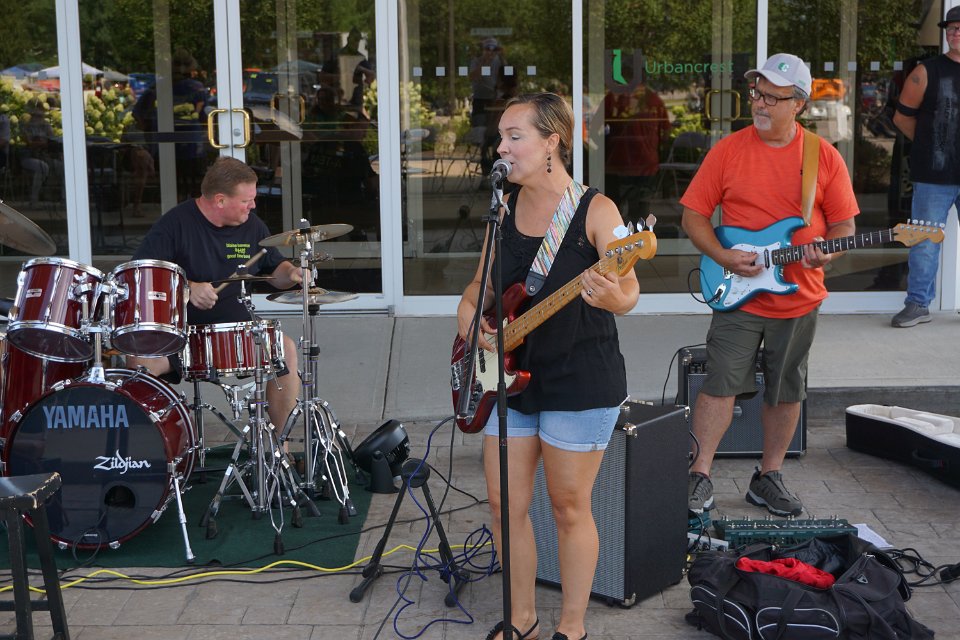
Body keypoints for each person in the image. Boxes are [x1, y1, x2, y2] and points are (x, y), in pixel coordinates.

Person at [456, 93, 639, 640]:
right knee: (502, 504)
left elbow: (629, 290)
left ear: (552, 142)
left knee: (568, 507)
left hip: (579, 379)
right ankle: (522, 620)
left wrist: (612, 296)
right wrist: (472, 323)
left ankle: (572, 627)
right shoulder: (502, 211)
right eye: (501, 137)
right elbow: (478, 289)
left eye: (515, 137)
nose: (502, 147)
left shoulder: (597, 211)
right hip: (507, 378)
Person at [681, 54, 859, 517]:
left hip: (799, 296)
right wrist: (723, 256)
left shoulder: (823, 157)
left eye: (772, 98)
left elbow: (844, 227)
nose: (759, 104)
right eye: (756, 94)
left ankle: (769, 476)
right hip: (738, 294)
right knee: (720, 382)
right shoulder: (728, 150)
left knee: (787, 388)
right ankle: (699, 474)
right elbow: (693, 215)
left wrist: (829, 252)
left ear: (798, 104)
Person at [126, 156, 302, 430]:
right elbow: (142, 276)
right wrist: (188, 288)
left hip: (234, 331)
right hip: (180, 334)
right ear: (220, 200)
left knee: (285, 348)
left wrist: (291, 273)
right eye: (246, 200)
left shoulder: (252, 225)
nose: (253, 205)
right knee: (139, 364)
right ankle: (161, 447)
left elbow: (274, 269)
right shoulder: (175, 224)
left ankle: (283, 447)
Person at [889, 5, 960, 328]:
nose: (955, 33)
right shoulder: (925, 72)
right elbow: (902, 117)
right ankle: (918, 304)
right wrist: (933, 144)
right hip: (933, 176)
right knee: (924, 241)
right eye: (951, 28)